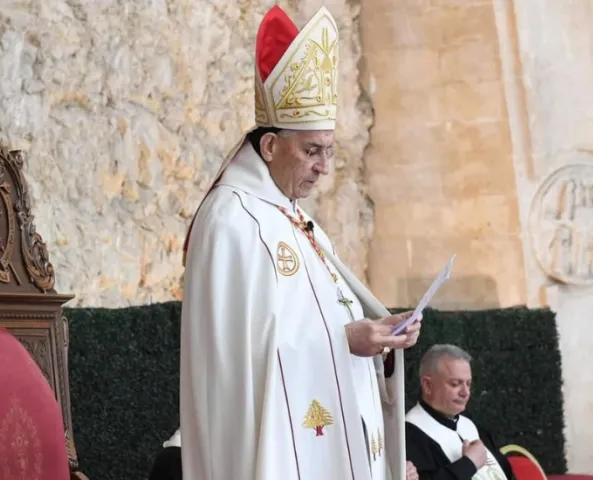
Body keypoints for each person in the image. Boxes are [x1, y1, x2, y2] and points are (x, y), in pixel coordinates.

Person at [177, 5, 423, 480]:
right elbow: (231, 360)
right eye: (312, 151)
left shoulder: (299, 220)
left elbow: (321, 321)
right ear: (270, 146)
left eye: (329, 151)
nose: (324, 167)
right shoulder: (230, 219)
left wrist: (379, 336)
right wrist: (344, 341)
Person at [405, 345, 515, 480]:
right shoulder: (409, 435)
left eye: (468, 384)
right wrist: (468, 464)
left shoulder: (471, 426)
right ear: (427, 385)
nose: (465, 392)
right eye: (455, 384)